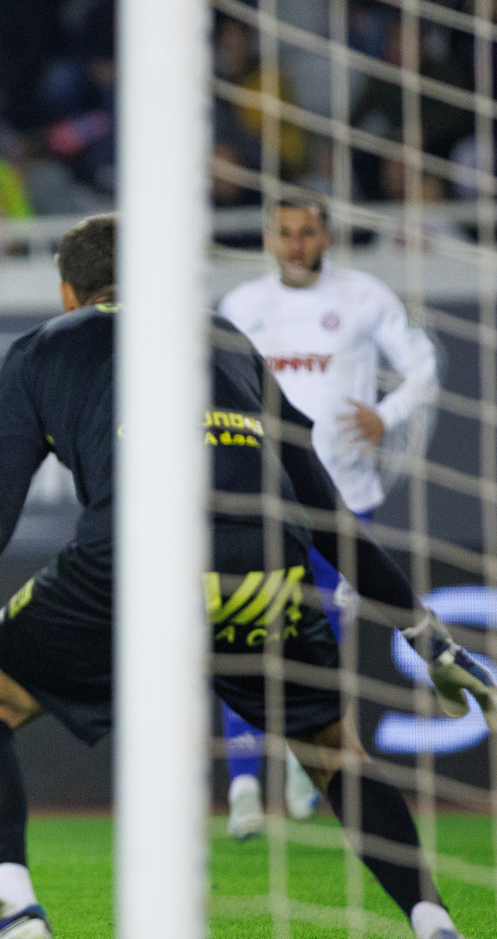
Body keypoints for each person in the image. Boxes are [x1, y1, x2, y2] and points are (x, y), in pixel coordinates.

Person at [0, 214, 497, 939]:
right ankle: (437, 934)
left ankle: (12, 908)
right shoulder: (225, 337)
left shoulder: (45, 346)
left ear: (69, 290)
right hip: (263, 565)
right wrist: (423, 630)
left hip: (137, 557)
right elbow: (324, 510)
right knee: (336, 755)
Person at [216, 196, 439, 840]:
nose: (294, 243)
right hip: (262, 496)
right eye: (284, 233)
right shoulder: (242, 309)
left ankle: (299, 764)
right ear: (267, 240)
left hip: (344, 497)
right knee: (243, 629)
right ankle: (244, 786)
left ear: (327, 236)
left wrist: (388, 416)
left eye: (306, 232)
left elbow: (422, 365)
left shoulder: (365, 297)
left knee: (321, 642)